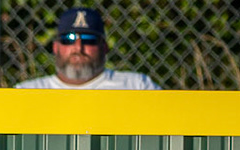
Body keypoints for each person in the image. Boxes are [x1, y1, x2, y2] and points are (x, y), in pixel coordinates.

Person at [15, 7, 160, 90]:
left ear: (104, 47)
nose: (78, 47)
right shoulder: (26, 93)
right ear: (55, 47)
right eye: (68, 39)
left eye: (89, 39)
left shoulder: (136, 86)